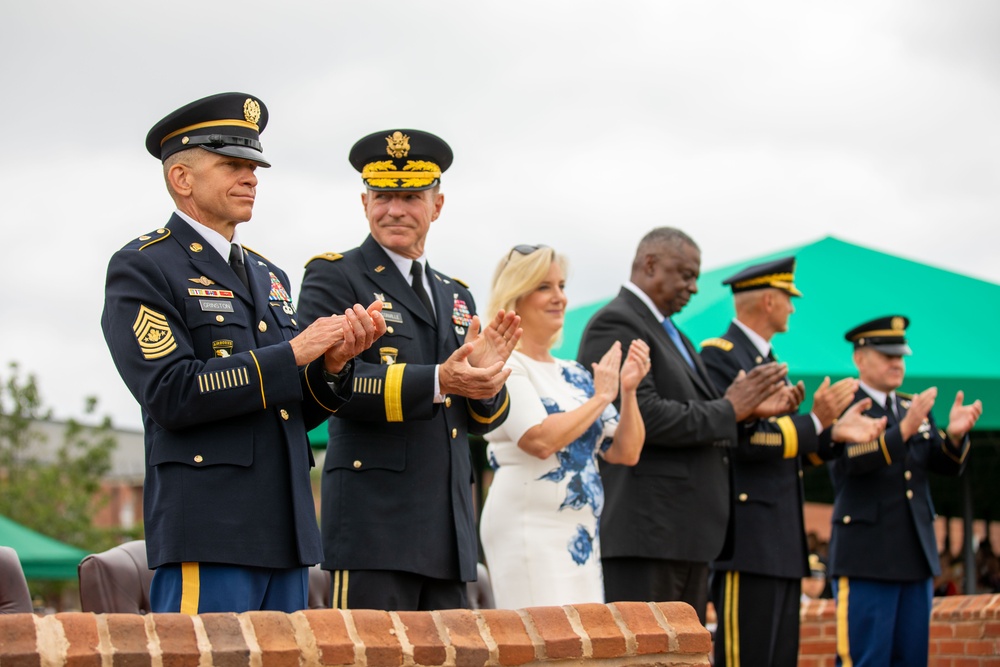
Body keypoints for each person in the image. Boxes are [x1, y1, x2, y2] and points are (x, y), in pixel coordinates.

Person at [101, 92, 386, 614]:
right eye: (232, 164)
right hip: (211, 530)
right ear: (182, 179)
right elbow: (172, 392)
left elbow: (290, 411)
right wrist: (296, 351)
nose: (251, 177)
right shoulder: (143, 267)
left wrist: (332, 366)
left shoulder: (268, 274)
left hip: (287, 530)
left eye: (253, 165)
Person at [296, 129, 520, 611]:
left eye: (411, 197)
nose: (395, 209)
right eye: (383, 196)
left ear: (437, 206)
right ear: (364, 202)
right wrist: (440, 380)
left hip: (450, 532)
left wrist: (485, 382)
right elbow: (326, 385)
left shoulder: (456, 294)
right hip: (373, 529)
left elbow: (481, 420)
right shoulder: (335, 275)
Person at [577, 227, 791, 623]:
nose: (694, 287)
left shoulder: (676, 334)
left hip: (684, 534)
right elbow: (643, 416)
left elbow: (707, 413)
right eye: (686, 274)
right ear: (650, 264)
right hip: (648, 533)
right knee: (644, 654)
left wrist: (752, 411)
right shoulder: (617, 323)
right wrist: (731, 408)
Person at [700, 257, 886, 667]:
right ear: (768, 300)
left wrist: (832, 433)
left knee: (779, 657)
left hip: (780, 536)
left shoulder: (769, 361)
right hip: (746, 538)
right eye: (788, 298)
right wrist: (816, 420)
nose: (793, 307)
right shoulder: (721, 356)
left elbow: (789, 450)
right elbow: (736, 439)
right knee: (744, 658)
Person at [479, 245, 650, 609]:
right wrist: (601, 398)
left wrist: (629, 392)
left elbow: (626, 451)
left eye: (561, 285)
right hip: (527, 529)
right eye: (545, 287)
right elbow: (539, 439)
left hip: (581, 532)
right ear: (516, 298)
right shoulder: (505, 363)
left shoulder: (574, 373)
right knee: (542, 645)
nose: (560, 297)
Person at [829, 315, 983, 667]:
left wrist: (956, 436)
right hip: (866, 556)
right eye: (887, 356)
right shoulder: (845, 405)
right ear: (859, 359)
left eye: (900, 356)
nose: (897, 363)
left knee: (911, 659)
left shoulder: (910, 406)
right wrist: (904, 430)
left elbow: (941, 464)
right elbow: (849, 462)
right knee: (865, 659)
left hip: (914, 555)